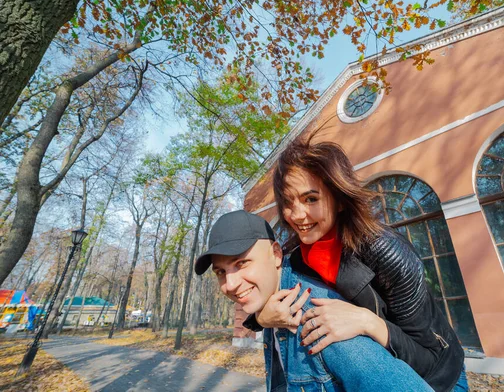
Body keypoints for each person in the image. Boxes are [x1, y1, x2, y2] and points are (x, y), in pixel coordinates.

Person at [247, 139, 468, 392]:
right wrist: (262, 319)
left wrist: (368, 322)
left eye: (310, 199)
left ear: (340, 199)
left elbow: (431, 358)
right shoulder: (296, 259)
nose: (296, 215)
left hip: (441, 381)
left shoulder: (386, 251)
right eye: (287, 202)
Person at [195, 210, 433, 392]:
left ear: (276, 254)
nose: (231, 284)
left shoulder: (318, 320)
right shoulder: (272, 307)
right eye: (221, 272)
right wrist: (260, 320)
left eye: (241, 263)